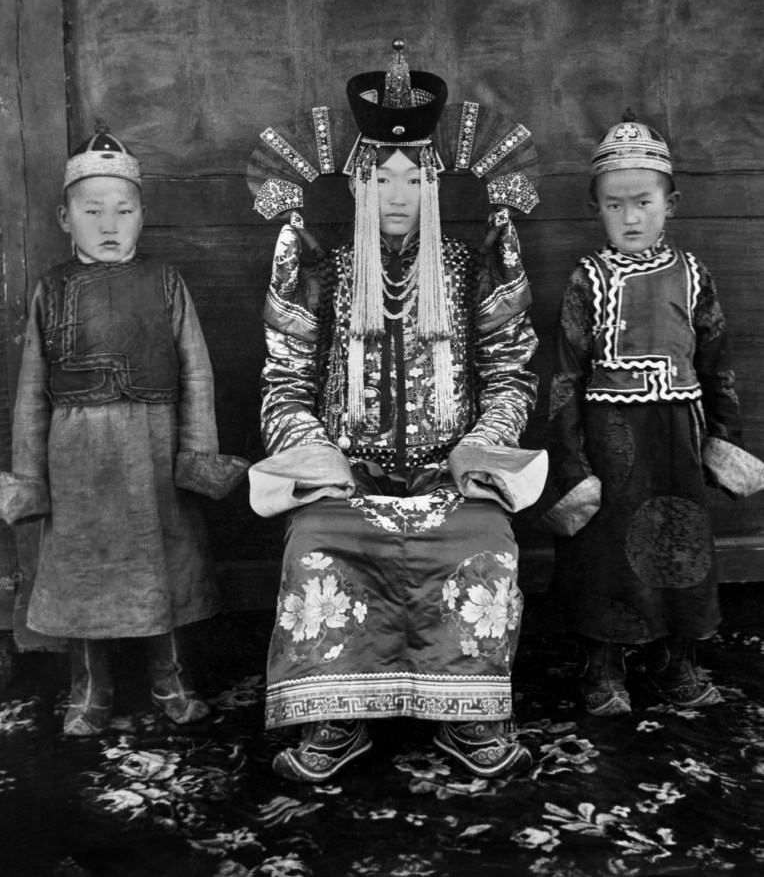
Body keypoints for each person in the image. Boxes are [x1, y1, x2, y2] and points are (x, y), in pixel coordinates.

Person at [248, 41, 548, 783]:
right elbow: (283, 380)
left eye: (414, 179)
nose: (398, 195)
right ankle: (338, 715)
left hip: (451, 481)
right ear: (356, 185)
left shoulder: (474, 266)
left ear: (436, 186)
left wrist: (481, 449)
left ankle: (469, 713)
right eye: (381, 178)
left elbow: (511, 372)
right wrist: (319, 460)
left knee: (487, 536)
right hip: (351, 483)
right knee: (315, 540)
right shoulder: (322, 269)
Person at [0, 123, 248, 735]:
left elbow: (196, 372)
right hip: (76, 456)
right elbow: (31, 390)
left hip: (153, 449)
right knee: (82, 567)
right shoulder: (50, 289)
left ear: (142, 216)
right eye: (93, 211)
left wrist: (196, 454)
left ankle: (171, 679)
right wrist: (30, 475)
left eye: (124, 211)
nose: (109, 225)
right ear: (65, 217)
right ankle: (90, 687)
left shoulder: (165, 282)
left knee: (162, 559)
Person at [542, 112, 764, 716]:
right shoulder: (586, 279)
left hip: (676, 440)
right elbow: (565, 376)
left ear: (672, 203)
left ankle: (676, 659)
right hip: (608, 440)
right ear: (597, 209)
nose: (631, 217)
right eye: (615, 205)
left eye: (643, 202)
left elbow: (717, 360)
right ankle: (603, 665)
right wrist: (571, 463)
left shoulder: (692, 275)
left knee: (678, 542)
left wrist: (725, 439)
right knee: (605, 550)